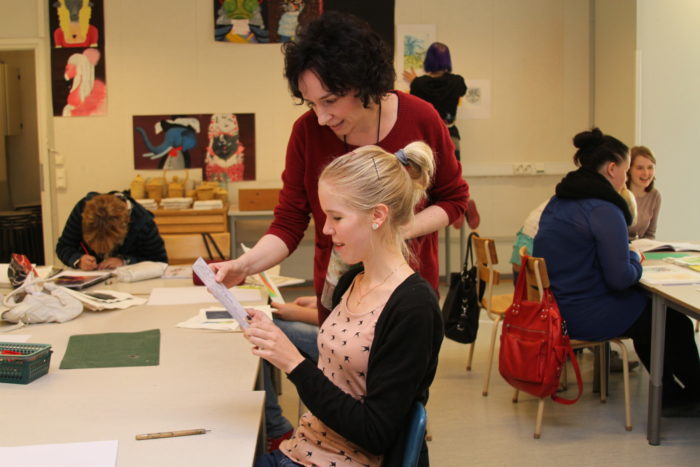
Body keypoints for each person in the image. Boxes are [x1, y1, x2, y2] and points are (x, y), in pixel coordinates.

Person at [211, 11, 468, 447]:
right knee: (336, 402)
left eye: (330, 101)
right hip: (341, 293)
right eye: (310, 103)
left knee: (386, 411)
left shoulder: (420, 118)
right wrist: (244, 265)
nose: (322, 117)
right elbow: (290, 221)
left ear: (365, 85)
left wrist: (389, 234)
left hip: (396, 298)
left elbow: (454, 200)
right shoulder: (307, 133)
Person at [248, 142, 443, 467]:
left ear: (378, 215)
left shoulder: (413, 308)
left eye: (337, 216)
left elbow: (375, 432)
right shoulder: (353, 279)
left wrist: (294, 363)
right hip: (302, 450)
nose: (325, 229)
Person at [534, 128, 700, 416]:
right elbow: (620, 277)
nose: (625, 178)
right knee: (671, 321)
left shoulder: (559, 201)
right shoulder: (603, 209)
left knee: (652, 316)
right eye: (625, 170)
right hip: (584, 314)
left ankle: (671, 394)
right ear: (612, 168)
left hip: (557, 309)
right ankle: (691, 393)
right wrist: (634, 258)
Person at [403, 41, 480, 229]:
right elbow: (459, 91)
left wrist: (414, 81)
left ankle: (443, 209)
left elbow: (419, 96)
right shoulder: (457, 82)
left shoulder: (419, 84)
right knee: (454, 174)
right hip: (450, 133)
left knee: (429, 176)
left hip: (427, 138)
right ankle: (462, 204)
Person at [56, 191, 167, 270]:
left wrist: (124, 261)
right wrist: (78, 259)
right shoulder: (82, 211)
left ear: (125, 227)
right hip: (89, 284)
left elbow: (159, 262)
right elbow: (63, 246)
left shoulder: (143, 222)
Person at [626, 145, 661, 240]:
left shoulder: (655, 196)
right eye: (640, 168)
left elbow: (650, 234)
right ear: (629, 170)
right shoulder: (620, 193)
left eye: (650, 168)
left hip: (642, 249)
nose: (646, 173)